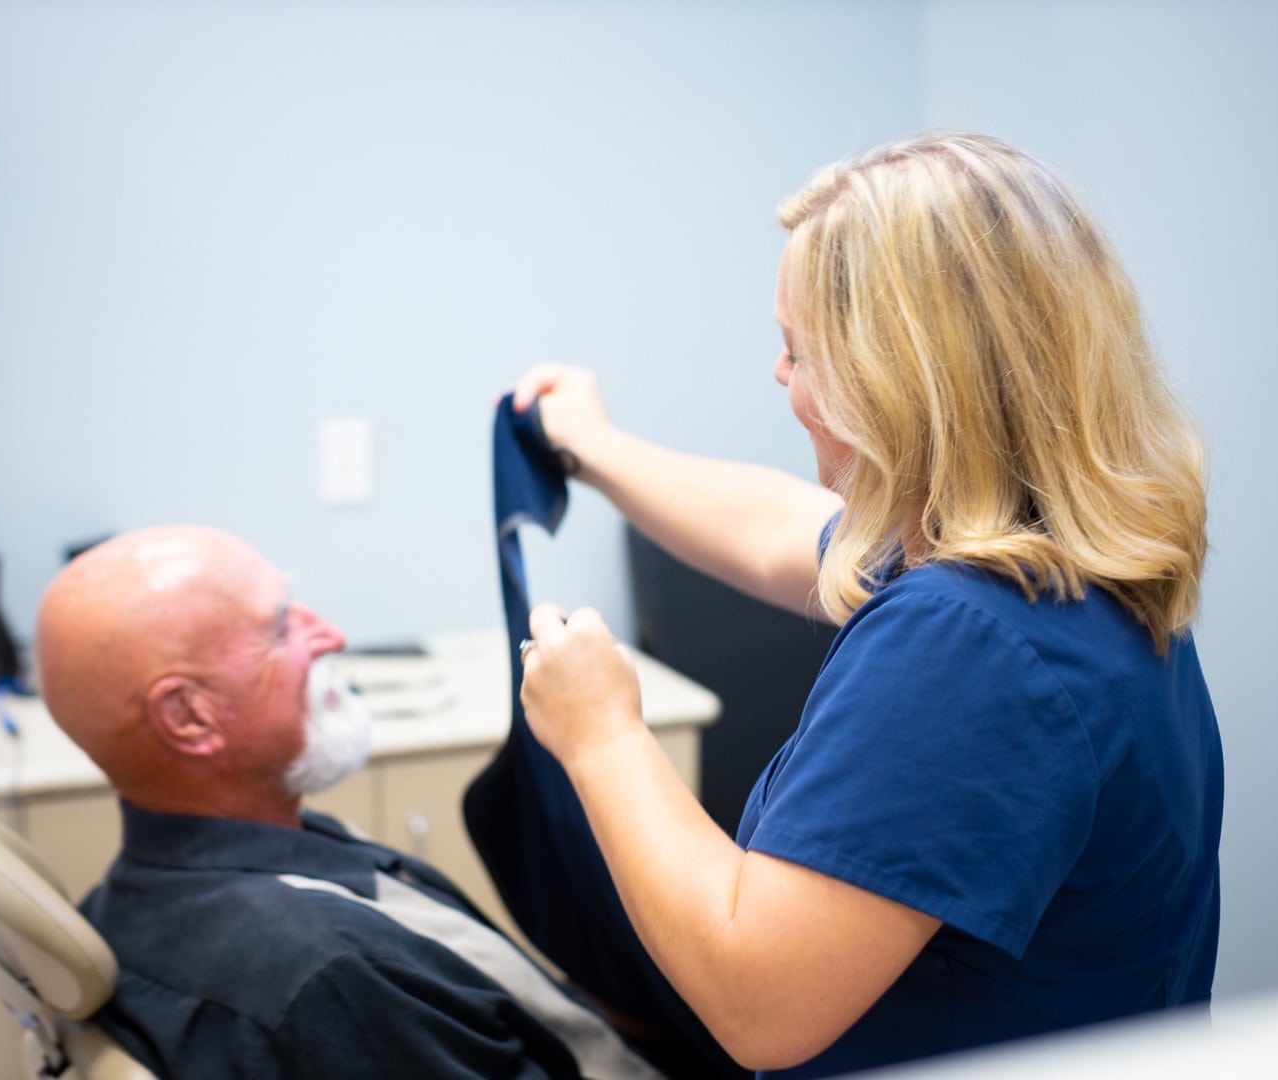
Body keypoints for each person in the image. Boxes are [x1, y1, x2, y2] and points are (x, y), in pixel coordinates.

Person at [511, 131, 1223, 1078]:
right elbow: (775, 528)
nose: (780, 377)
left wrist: (601, 734)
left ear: (902, 381)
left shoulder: (967, 648)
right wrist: (589, 445)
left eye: (797, 350)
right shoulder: (1074, 571)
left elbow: (755, 996)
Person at [33, 525, 661, 1080]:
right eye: (281, 626)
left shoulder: (124, 899)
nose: (331, 635)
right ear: (188, 717)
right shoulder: (332, 974)